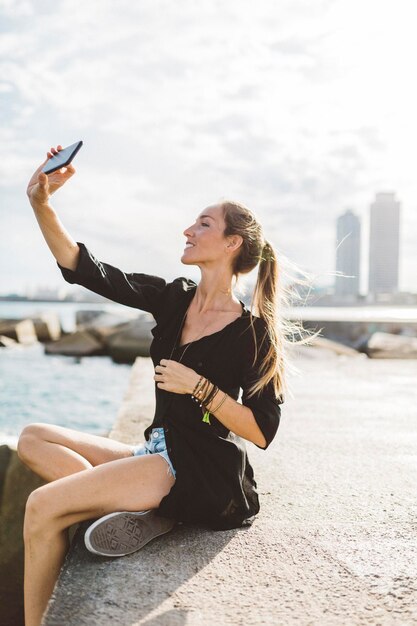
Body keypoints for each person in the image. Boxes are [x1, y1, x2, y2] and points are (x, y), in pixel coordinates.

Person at [19, 144, 313, 626]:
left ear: (232, 243)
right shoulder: (173, 298)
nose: (188, 230)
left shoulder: (253, 333)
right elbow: (85, 268)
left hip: (199, 468)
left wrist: (200, 387)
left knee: (42, 506)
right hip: (155, 450)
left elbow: (262, 431)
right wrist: (41, 202)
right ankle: (135, 507)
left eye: (203, 224)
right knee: (33, 438)